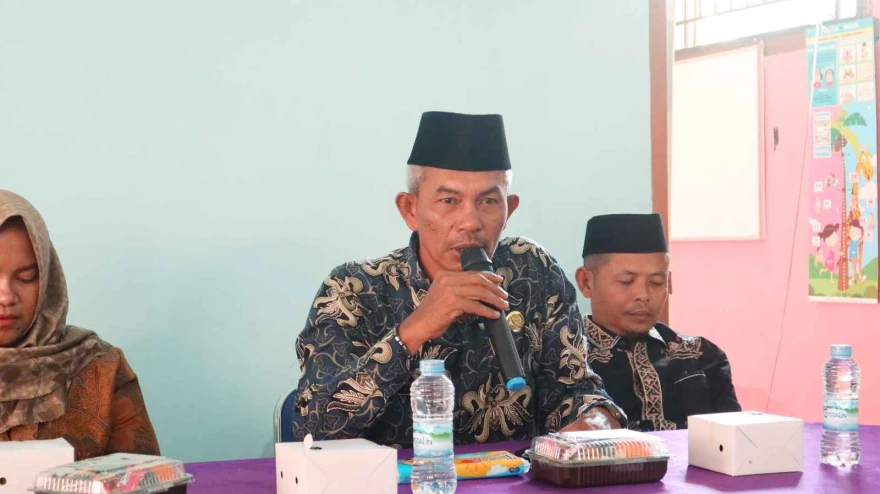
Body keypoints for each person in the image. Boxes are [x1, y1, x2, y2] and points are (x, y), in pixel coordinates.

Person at [291, 111, 626, 448]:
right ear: (410, 209)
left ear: (509, 210)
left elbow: (575, 389)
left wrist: (597, 420)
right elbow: (313, 427)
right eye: (448, 201)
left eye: (488, 201)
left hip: (514, 475)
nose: (470, 222)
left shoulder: (533, 270)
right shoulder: (353, 288)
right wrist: (414, 329)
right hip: (403, 475)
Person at [0, 190, 159, 459]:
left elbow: (144, 475)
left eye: (26, 278)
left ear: (48, 281)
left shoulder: (101, 367)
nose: (6, 297)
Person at [574, 213, 741, 431]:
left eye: (656, 282)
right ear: (586, 282)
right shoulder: (567, 360)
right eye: (626, 281)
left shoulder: (702, 356)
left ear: (669, 283)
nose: (643, 295)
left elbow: (734, 440)